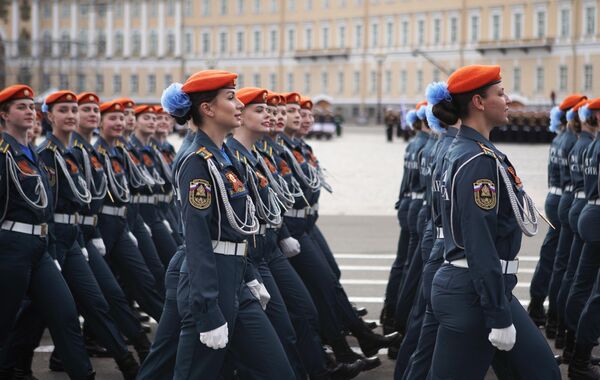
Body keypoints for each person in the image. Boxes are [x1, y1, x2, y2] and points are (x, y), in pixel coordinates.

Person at [429, 65, 560, 379]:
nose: (508, 100)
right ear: (478, 102)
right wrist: (498, 316)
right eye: (500, 93)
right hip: (474, 294)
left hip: (486, 288)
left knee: (542, 372)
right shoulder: (477, 161)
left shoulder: (465, 151)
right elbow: (479, 243)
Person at [163, 70, 295, 379]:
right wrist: (208, 309)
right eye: (231, 97)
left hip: (235, 275)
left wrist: (249, 276)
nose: (238, 105)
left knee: (278, 370)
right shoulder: (198, 159)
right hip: (212, 280)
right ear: (207, 109)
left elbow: (238, 227)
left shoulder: (222, 155)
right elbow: (196, 239)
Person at [35, 90, 139, 378]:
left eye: (73, 110)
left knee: (95, 301)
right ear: (49, 116)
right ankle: (13, 364)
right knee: (39, 313)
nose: (72, 115)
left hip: (75, 236)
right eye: (65, 110)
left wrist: (82, 239)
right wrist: (55, 247)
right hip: (55, 239)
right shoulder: (47, 154)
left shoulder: (71, 154)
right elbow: (47, 207)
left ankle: (130, 362)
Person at [0, 84, 95, 380]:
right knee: (4, 322)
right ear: (4, 115)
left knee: (65, 314)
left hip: (40, 245)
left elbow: (45, 207)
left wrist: (50, 246)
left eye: (31, 107)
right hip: (11, 246)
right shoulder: (4, 153)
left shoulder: (31, 153)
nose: (29, 112)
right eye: (21, 107)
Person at [94, 100, 165, 322]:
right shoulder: (98, 152)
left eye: (123, 117)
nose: (122, 121)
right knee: (103, 287)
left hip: (128, 219)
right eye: (114, 117)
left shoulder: (121, 151)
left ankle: (164, 328)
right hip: (105, 224)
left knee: (144, 276)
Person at [565, 98, 600, 380]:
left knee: (582, 283)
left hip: (590, 212)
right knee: (596, 295)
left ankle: (574, 346)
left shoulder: (591, 145)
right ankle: (579, 358)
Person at [527, 103, 567, 326]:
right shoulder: (574, 141)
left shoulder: (558, 139)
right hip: (565, 200)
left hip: (555, 197)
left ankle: (537, 303)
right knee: (563, 260)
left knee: (550, 254)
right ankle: (555, 315)